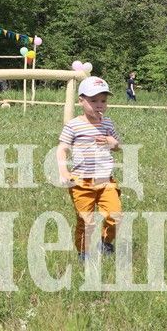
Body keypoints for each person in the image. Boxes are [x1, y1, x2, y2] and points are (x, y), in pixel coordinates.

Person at [56, 76, 122, 260]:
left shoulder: (107, 124)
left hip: (105, 180)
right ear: (81, 101)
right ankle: (84, 252)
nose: (99, 105)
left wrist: (112, 142)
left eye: (103, 100)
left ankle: (105, 242)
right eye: (93, 101)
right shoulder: (74, 125)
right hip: (81, 183)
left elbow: (118, 146)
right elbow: (62, 149)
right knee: (86, 221)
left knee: (115, 214)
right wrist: (63, 171)